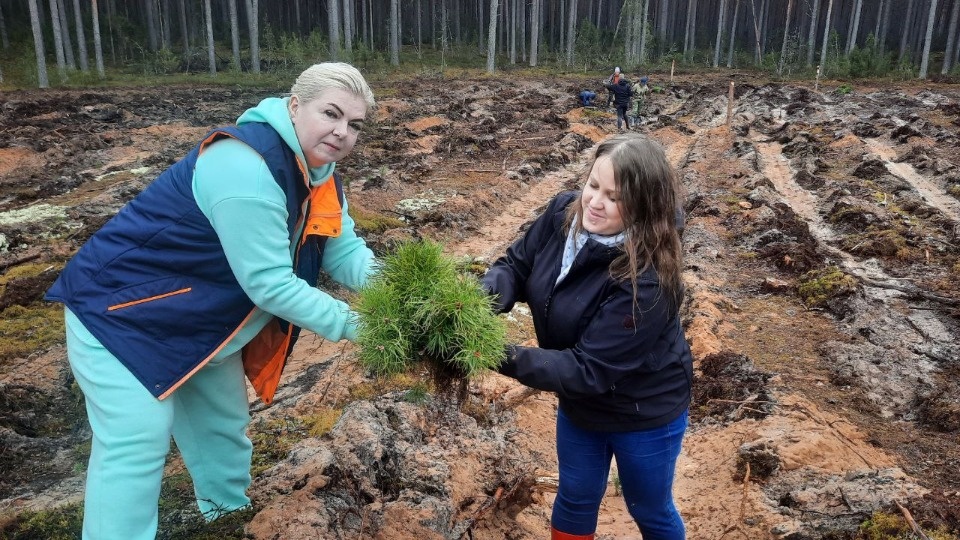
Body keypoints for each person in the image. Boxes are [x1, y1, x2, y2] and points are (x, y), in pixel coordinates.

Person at [45, 62, 378, 540]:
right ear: (294, 106)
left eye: (355, 124)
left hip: (201, 323)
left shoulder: (320, 175)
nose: (342, 131)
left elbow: (344, 252)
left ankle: (226, 523)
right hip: (121, 314)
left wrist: (408, 294)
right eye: (331, 113)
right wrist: (362, 326)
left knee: (221, 434)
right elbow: (270, 284)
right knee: (137, 440)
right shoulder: (245, 165)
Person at [481, 133, 693, 540]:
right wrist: (473, 307)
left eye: (615, 197)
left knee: (648, 506)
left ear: (645, 205)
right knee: (576, 496)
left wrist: (488, 350)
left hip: (643, 410)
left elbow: (588, 368)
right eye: (593, 186)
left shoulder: (647, 280)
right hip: (581, 405)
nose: (595, 202)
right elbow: (516, 266)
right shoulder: (564, 213)